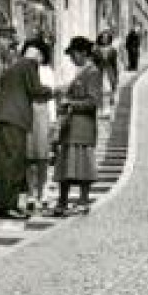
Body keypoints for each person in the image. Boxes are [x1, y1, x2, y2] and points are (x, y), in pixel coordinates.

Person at [0, 39, 53, 220]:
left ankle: (2, 205)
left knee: (4, 163)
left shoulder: (13, 67)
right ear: (38, 55)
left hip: (2, 118)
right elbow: (35, 90)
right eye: (42, 60)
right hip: (15, 119)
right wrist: (52, 91)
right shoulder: (29, 64)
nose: (40, 64)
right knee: (14, 163)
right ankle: (9, 206)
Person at [53, 36, 102, 217]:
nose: (72, 58)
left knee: (82, 166)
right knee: (65, 165)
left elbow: (93, 101)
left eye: (73, 54)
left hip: (82, 127)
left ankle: (82, 201)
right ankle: (63, 202)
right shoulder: (82, 71)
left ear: (82, 53)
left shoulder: (93, 72)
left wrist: (70, 103)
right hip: (71, 126)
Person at [25, 39, 59, 214]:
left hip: (43, 113)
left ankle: (42, 191)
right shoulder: (24, 70)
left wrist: (53, 120)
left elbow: (51, 96)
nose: (33, 57)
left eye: (37, 54)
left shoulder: (47, 72)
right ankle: (31, 193)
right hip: (27, 113)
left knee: (43, 156)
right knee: (29, 156)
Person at [96, 30, 120, 106]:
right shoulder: (96, 50)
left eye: (106, 38)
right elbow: (94, 62)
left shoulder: (113, 50)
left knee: (111, 85)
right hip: (99, 70)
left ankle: (111, 98)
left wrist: (116, 74)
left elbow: (114, 63)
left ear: (109, 39)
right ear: (100, 39)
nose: (105, 40)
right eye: (103, 38)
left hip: (109, 70)